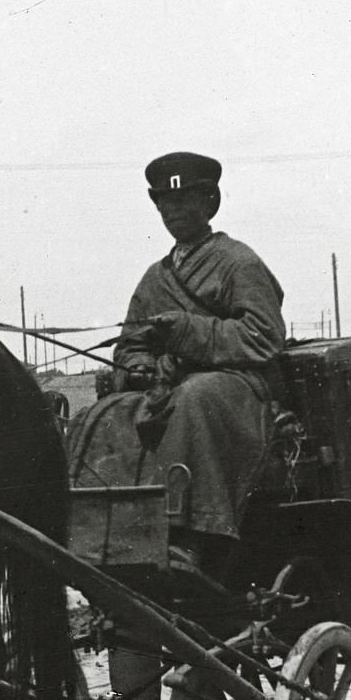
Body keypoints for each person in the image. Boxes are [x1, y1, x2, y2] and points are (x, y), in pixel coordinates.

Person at [109, 151, 286, 581]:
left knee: (194, 396)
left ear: (209, 203)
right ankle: (109, 530)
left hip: (239, 389)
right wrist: (138, 368)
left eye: (184, 201)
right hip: (174, 388)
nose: (173, 212)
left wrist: (190, 332)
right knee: (109, 413)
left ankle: (187, 536)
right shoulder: (154, 278)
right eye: (164, 204)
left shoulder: (238, 262)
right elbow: (131, 344)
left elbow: (263, 336)